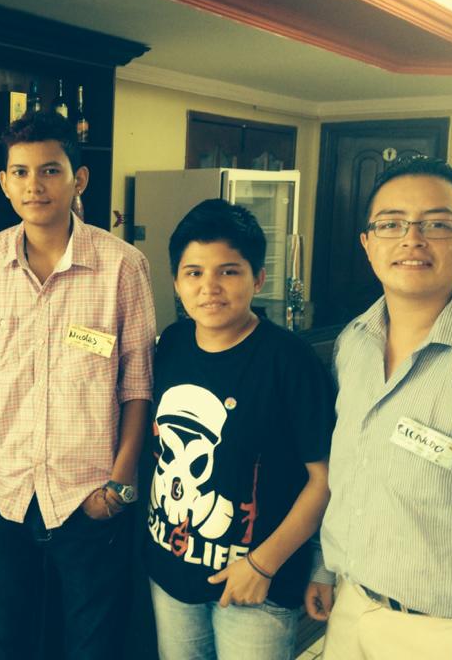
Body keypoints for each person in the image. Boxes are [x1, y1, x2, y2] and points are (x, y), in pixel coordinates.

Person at [305, 155, 452, 659]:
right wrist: (325, 564)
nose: (412, 239)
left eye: (436, 224)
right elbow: (349, 470)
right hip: (351, 607)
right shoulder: (353, 343)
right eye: (391, 224)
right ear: (367, 243)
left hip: (446, 633)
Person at [0, 111, 157, 660]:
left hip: (87, 495)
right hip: (4, 492)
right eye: (20, 172)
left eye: (50, 170)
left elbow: (138, 384)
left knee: (93, 647)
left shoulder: (122, 265)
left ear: (78, 179)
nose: (34, 185)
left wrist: (119, 485)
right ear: (4, 182)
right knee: (8, 644)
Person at [143, 199, 335, 660]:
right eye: (193, 273)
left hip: (258, 587)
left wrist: (262, 565)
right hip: (170, 576)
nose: (209, 287)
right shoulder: (170, 345)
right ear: (176, 282)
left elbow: (325, 478)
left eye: (228, 271)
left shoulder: (289, 361)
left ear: (258, 278)